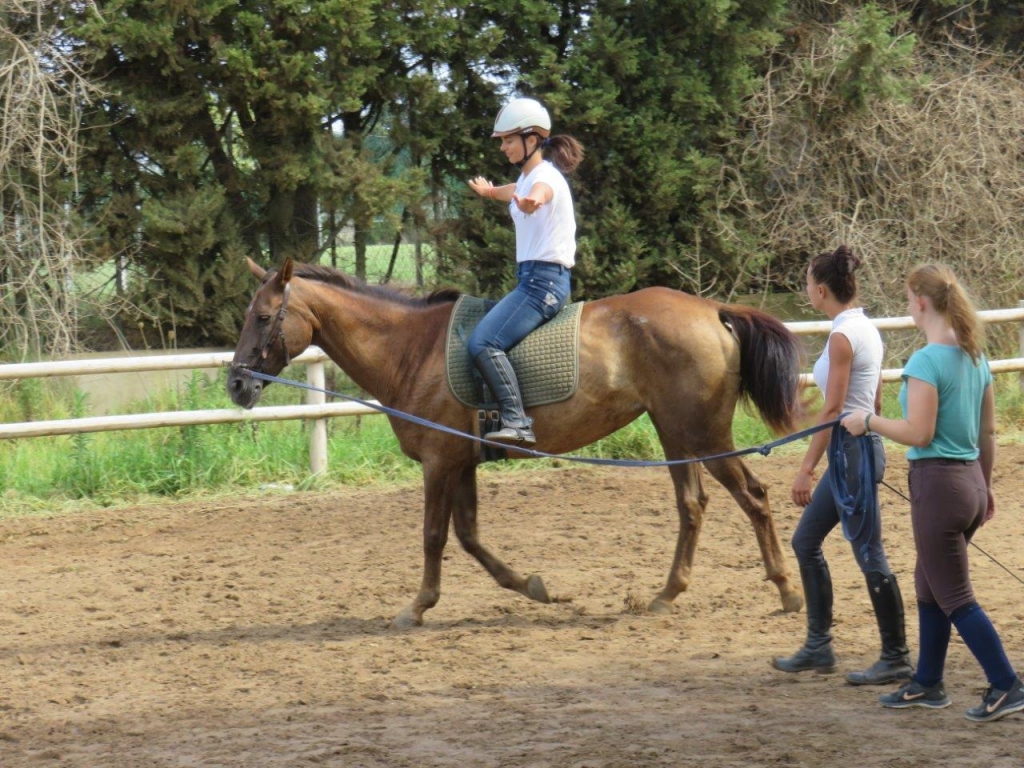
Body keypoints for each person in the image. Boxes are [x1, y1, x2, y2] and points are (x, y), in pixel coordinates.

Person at [842, 263, 1024, 723]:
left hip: (939, 487)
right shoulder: (976, 357)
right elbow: (987, 432)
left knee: (955, 594)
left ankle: (1006, 684)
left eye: (908, 300)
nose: (908, 307)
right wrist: (984, 486)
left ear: (921, 302)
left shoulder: (925, 361)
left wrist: (868, 421)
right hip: (970, 483)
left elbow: (918, 433)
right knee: (930, 583)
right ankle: (927, 682)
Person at [771, 245, 913, 685]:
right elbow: (874, 399)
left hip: (851, 454)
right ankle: (819, 646)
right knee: (805, 540)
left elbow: (833, 409)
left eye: (807, 283)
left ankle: (896, 655)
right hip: (856, 452)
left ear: (820, 290)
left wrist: (805, 468)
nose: (806, 290)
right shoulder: (865, 328)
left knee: (869, 551)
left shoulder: (841, 337)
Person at [466, 97, 584, 446]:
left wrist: (534, 202)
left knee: (483, 342)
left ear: (531, 140)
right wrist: (490, 192)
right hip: (534, 279)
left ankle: (517, 422)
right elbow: (515, 192)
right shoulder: (527, 178)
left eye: (508, 140)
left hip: (542, 284)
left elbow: (538, 194)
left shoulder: (544, 178)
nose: (503, 147)